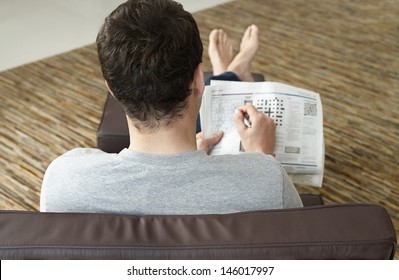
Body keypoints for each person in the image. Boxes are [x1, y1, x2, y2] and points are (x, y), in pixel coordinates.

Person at [40, 0, 303, 214]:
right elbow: (290, 239)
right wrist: (263, 156)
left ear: (112, 89)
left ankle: (230, 72)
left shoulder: (63, 179)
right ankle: (229, 73)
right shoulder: (268, 181)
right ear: (200, 79)